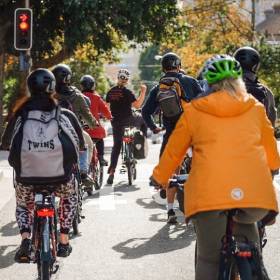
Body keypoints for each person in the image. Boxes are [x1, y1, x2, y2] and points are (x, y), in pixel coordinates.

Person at [151, 55, 280, 279]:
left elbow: (173, 152)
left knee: (209, 259)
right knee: (253, 250)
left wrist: (159, 178)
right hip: (253, 199)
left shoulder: (194, 111)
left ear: (207, 82)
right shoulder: (256, 108)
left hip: (210, 199)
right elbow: (273, 159)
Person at [1, 69, 86, 260]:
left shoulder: (20, 114)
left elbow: (6, 144)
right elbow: (79, 143)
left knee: (23, 205)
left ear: (30, 88)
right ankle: (64, 240)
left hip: (27, 179)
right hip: (60, 178)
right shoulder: (64, 113)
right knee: (70, 198)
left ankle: (25, 238)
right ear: (52, 87)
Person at [142, 52, 202, 223]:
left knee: (171, 174)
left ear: (163, 68)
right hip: (193, 135)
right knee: (203, 167)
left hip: (172, 137)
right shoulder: (190, 81)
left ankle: (170, 211)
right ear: (179, 65)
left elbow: (145, 112)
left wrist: (154, 127)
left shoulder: (159, 87)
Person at [52, 64, 97, 186]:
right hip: (73, 131)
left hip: (49, 131)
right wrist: (94, 124)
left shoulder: (48, 93)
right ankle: (83, 173)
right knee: (87, 144)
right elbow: (87, 115)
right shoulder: (76, 95)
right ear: (68, 78)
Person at [105, 69, 147, 185]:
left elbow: (107, 108)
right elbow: (137, 105)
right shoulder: (128, 92)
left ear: (118, 78)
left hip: (116, 123)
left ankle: (112, 172)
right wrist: (143, 92)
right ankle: (135, 149)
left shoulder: (110, 92)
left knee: (117, 146)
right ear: (127, 80)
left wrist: (112, 116)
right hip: (128, 121)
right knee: (140, 126)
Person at [234, 46, 277, 126]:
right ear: (256, 66)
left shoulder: (225, 86)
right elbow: (271, 122)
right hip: (256, 136)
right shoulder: (266, 92)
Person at [80, 74, 112, 166]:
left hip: (82, 130)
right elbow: (106, 111)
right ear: (93, 85)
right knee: (100, 140)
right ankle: (101, 158)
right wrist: (110, 117)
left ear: (81, 85)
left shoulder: (77, 97)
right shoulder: (96, 97)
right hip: (95, 130)